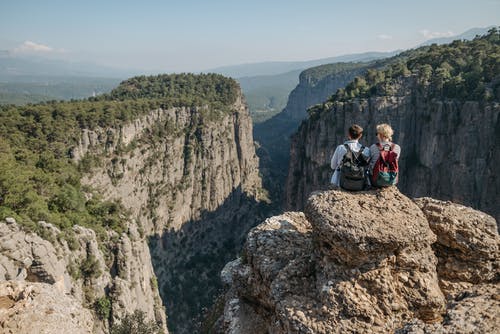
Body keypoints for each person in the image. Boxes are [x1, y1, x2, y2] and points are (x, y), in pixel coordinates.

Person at [330, 124, 370, 189]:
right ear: (360, 135)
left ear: (348, 135)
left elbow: (333, 166)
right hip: (361, 184)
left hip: (341, 184)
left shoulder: (340, 148)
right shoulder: (366, 150)